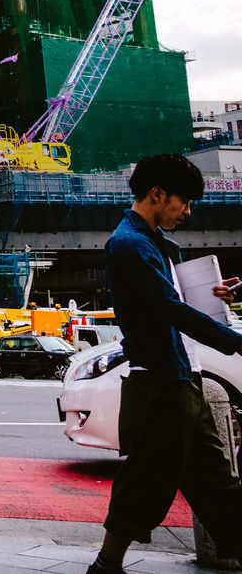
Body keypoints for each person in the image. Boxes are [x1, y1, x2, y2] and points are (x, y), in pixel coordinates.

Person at [86, 154, 242, 574]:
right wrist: (237, 342)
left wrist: (210, 295)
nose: (187, 212)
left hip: (181, 377)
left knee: (217, 481)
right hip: (160, 383)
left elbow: (168, 302)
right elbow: (167, 310)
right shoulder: (131, 244)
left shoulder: (152, 242)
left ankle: (107, 564)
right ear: (157, 194)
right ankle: (105, 565)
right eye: (184, 202)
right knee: (147, 482)